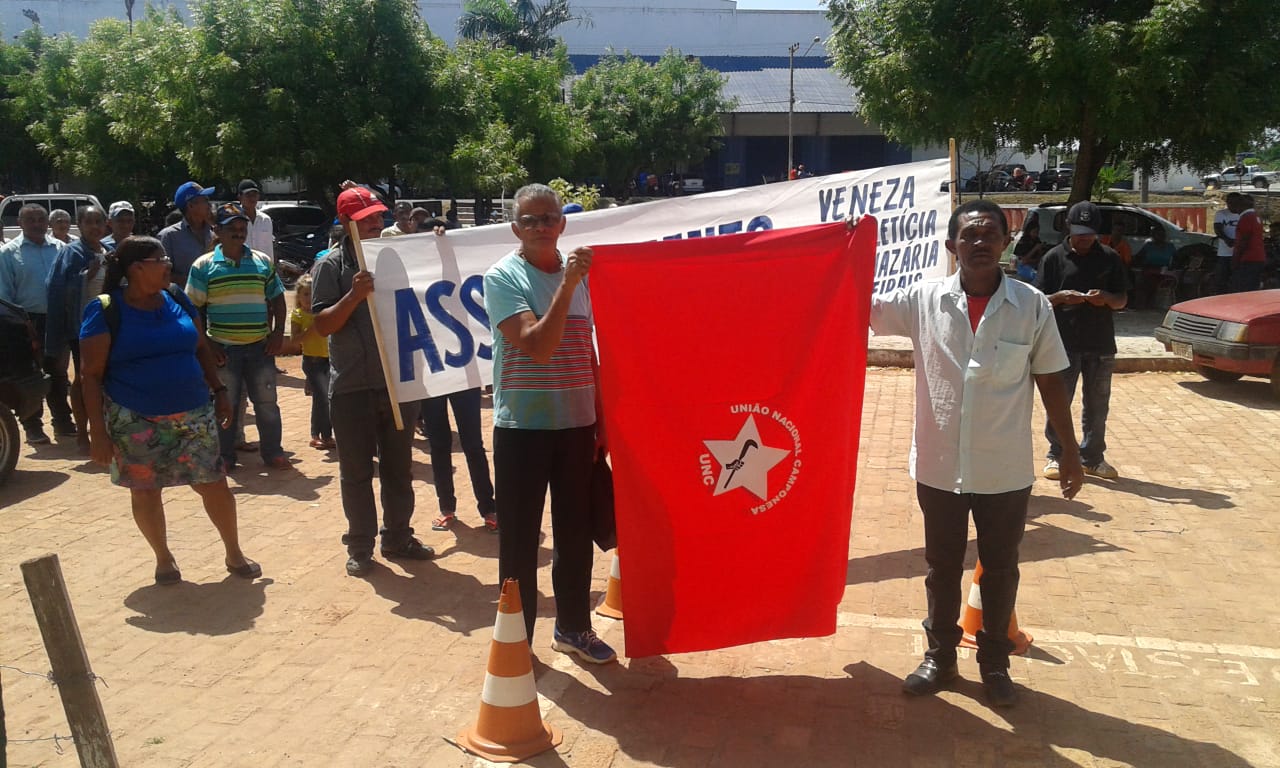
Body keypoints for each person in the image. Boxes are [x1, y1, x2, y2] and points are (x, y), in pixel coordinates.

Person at [869, 199, 1083, 708]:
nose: (980, 243)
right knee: (941, 567)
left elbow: (1052, 382)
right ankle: (939, 659)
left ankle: (994, 664)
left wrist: (1071, 453)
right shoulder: (923, 299)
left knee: (1001, 567)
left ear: (1006, 244)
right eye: (969, 236)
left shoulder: (1031, 305)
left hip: (1004, 469)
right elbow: (859, 304)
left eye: (990, 235)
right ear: (951, 247)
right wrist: (843, 248)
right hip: (941, 466)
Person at [482, 183, 616, 664]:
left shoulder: (578, 280)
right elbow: (537, 345)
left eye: (549, 217)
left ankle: (574, 629)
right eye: (531, 220)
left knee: (576, 536)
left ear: (562, 224)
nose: (541, 227)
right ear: (516, 229)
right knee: (519, 541)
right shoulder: (503, 277)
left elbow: (586, 352)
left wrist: (601, 417)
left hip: (578, 425)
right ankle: (516, 643)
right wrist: (568, 287)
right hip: (522, 429)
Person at [78, 236, 260, 585]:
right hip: (135, 419)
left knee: (214, 484)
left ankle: (234, 552)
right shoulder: (104, 310)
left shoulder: (176, 297)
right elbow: (90, 375)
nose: (168, 266)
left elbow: (200, 348)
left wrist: (220, 390)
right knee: (145, 491)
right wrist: (96, 434)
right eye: (160, 260)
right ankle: (163, 558)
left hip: (194, 413)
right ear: (136, 269)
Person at [312, 185, 435, 576]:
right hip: (351, 388)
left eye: (379, 217)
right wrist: (352, 296)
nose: (376, 224)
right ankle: (360, 545)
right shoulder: (330, 267)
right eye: (367, 220)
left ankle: (398, 535)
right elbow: (323, 323)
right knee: (357, 472)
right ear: (348, 224)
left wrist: (444, 246)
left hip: (398, 384)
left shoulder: (396, 259)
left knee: (400, 469)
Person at [184, 202, 290, 471]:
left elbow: (277, 299)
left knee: (267, 403)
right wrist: (207, 344)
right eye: (232, 228)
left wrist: (278, 333)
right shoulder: (203, 266)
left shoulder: (262, 262)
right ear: (217, 230)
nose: (239, 233)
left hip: (260, 347)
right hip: (223, 349)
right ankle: (226, 456)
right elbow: (192, 309)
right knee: (225, 404)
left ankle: (273, 452)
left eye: (242, 228)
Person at [1035, 201, 1128, 481]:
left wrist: (1107, 299)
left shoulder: (1110, 258)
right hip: (1062, 345)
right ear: (1069, 229)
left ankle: (1092, 458)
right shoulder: (1053, 258)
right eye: (1079, 232)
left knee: (1098, 404)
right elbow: (1037, 302)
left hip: (1100, 344)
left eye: (1089, 233)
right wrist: (1061, 297)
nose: (1084, 238)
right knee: (1059, 401)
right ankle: (1057, 454)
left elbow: (1122, 299)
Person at [0, 203, 70, 444]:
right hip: (23, 323)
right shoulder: (8, 254)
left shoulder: (61, 248)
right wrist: (20, 323)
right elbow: (4, 295)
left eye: (41, 219)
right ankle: (33, 427)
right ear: (20, 223)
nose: (37, 224)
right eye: (31, 220)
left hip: (58, 319)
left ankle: (63, 422)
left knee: (58, 372)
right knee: (30, 375)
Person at [44, 205, 110, 452]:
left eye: (99, 222)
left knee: (104, 379)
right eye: (89, 222)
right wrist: (86, 276)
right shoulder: (70, 253)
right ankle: (82, 432)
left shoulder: (108, 250)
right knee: (83, 380)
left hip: (107, 327)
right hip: (82, 327)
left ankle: (102, 429)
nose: (94, 227)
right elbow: (55, 286)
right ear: (80, 226)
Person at [289, 273, 333, 450]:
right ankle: (320, 435)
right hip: (313, 362)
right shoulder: (298, 315)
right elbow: (294, 340)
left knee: (328, 397)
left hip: (329, 359)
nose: (309, 298)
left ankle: (323, 434)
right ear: (299, 297)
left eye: (312, 293)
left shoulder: (323, 313)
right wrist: (312, 329)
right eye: (305, 294)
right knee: (322, 398)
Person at [158, 181, 216, 288]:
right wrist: (195, 283)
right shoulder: (169, 236)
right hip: (181, 300)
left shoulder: (214, 234)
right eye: (205, 200)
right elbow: (160, 273)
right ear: (190, 206)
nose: (210, 205)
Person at [1132, 224, 1176, 308]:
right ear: (1153, 235)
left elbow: (1177, 259)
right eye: (1157, 234)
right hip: (1150, 269)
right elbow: (1138, 258)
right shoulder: (1148, 246)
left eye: (1162, 234)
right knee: (1144, 281)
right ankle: (1143, 305)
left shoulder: (1170, 247)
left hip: (1164, 270)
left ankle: (1154, 304)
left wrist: (1171, 268)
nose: (1160, 236)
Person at [1230, 194, 1266, 293]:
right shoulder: (1256, 216)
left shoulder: (1246, 218)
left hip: (1248, 258)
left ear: (1241, 205)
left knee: (1244, 289)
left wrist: (1236, 258)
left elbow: (1244, 241)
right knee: (1253, 288)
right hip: (1258, 257)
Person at [237, 179, 275, 262]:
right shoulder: (234, 220)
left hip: (263, 269)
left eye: (255, 194)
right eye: (248, 195)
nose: (252, 198)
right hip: (242, 268)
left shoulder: (266, 220)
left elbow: (269, 248)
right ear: (240, 197)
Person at [1212, 193, 1242, 294]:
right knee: (1221, 280)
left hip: (1241, 253)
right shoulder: (1221, 214)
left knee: (1239, 281)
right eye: (1230, 202)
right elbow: (1217, 228)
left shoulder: (1244, 215)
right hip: (1225, 253)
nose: (1232, 204)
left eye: (1235, 202)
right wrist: (1227, 239)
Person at [1011, 217, 1048, 282]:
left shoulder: (1036, 240)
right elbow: (1023, 261)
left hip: (1034, 268)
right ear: (1029, 231)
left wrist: (1040, 251)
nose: (1036, 234)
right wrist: (1035, 248)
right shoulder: (1023, 242)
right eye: (1034, 232)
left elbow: (1039, 259)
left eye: (1037, 232)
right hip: (1023, 269)